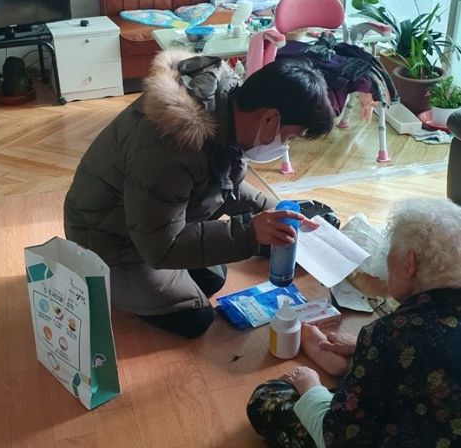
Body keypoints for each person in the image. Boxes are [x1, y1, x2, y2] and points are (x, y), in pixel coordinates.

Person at [64, 50, 333, 338]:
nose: (285, 146)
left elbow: (227, 185)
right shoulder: (172, 144)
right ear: (269, 118)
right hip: (106, 238)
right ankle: (107, 284)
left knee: (214, 276)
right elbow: (161, 247)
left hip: (142, 220)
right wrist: (251, 233)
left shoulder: (227, 107)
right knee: (196, 318)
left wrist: (277, 210)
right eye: (289, 137)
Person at [247, 198, 461, 447]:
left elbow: (338, 439)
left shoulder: (393, 333)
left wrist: (309, 385)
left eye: (390, 249)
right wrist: (364, 347)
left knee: (267, 399)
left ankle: (345, 372)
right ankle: (354, 366)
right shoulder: (400, 334)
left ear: (409, 263)